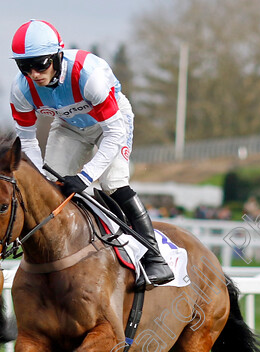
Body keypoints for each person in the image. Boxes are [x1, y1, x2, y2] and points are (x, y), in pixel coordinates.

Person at [9, 19, 174, 286]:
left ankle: (155, 258)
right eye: (24, 66)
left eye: (41, 64)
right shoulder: (21, 90)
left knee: (113, 184)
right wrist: (43, 178)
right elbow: (26, 140)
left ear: (58, 56)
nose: (34, 73)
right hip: (69, 126)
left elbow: (113, 133)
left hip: (111, 124)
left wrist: (85, 177)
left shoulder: (89, 77)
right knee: (51, 189)